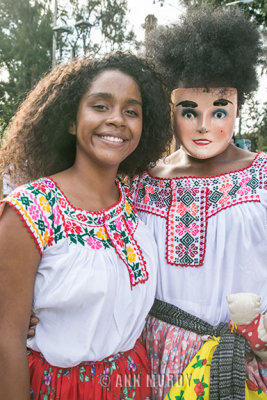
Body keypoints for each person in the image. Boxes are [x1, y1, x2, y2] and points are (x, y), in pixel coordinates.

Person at [0, 52, 172, 400]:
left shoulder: (137, 205)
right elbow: (6, 340)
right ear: (70, 121)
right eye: (100, 106)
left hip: (131, 386)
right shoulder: (30, 210)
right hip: (57, 390)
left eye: (131, 111)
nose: (118, 120)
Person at [130, 7, 267, 399]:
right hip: (156, 365)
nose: (205, 124)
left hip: (247, 363)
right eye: (190, 111)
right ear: (169, 112)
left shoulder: (263, 177)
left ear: (238, 107)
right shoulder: (139, 184)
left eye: (219, 110)